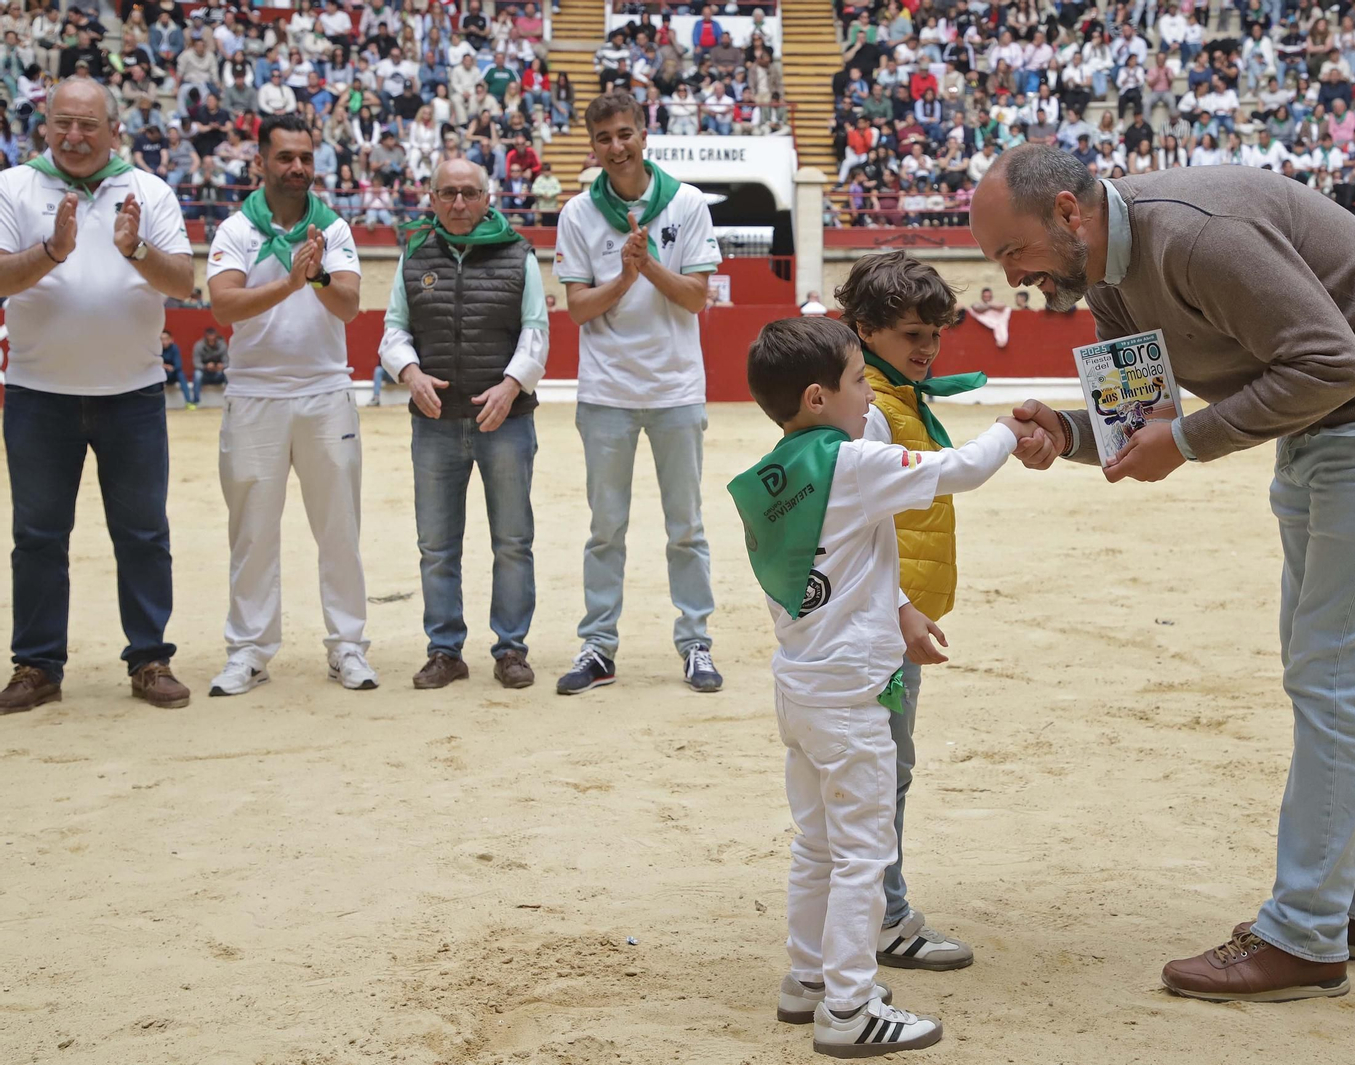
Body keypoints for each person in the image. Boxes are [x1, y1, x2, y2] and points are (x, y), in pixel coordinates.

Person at [972, 146, 1355, 1002]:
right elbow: (1138, 423)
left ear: (1069, 213)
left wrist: (1184, 444)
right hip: (1328, 429)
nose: (1015, 278)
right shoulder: (1104, 282)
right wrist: (1064, 435)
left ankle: (1306, 935)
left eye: (1013, 253)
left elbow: (1334, 364)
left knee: (1332, 675)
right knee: (1335, 673)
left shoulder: (1199, 233)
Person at [729, 316, 1037, 1057]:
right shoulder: (853, 464)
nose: (871, 393)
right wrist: (1005, 429)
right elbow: (958, 469)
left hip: (801, 685)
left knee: (818, 845)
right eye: (860, 380)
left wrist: (896, 607)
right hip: (852, 695)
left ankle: (808, 979)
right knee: (864, 851)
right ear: (815, 397)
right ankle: (849, 1004)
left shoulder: (779, 474)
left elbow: (842, 561)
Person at [837, 250, 1016, 973]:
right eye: (912, 333)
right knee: (883, 770)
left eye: (934, 334)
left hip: (881, 618)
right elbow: (863, 536)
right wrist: (903, 608)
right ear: (865, 329)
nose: (927, 348)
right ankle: (885, 917)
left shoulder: (880, 399)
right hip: (879, 628)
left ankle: (863, 911)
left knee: (874, 769)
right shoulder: (874, 413)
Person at [0, 76, 196, 713]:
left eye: (89, 125)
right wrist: (52, 251)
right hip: (37, 392)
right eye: (63, 123)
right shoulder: (14, 186)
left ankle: (149, 658)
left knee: (143, 533)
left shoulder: (149, 190)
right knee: (37, 536)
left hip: (132, 393)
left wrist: (136, 248)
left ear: (116, 130)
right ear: (46, 125)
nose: (74, 136)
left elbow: (184, 283)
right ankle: (36, 665)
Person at [552, 93, 724, 695]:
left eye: (625, 133)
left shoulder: (687, 203)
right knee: (606, 527)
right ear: (593, 145)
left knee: (687, 526)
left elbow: (698, 297)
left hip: (676, 387)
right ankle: (598, 646)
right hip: (607, 391)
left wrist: (645, 266)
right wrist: (625, 276)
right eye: (604, 138)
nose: (617, 146)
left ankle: (696, 642)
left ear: (644, 134)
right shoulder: (577, 213)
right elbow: (576, 308)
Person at [205, 114, 375, 697]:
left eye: (305, 157)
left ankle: (348, 646)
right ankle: (249, 651)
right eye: (285, 157)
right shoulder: (235, 230)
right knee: (252, 530)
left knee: (340, 528)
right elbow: (224, 307)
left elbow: (350, 306)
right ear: (261, 162)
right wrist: (289, 281)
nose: (297, 168)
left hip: (326, 391)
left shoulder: (334, 229)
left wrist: (318, 271)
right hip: (254, 394)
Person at [379, 158, 549, 691]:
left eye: (469, 194)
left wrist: (511, 384)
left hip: (506, 420)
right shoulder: (413, 252)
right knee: (436, 544)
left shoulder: (519, 253)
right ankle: (445, 650)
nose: (458, 204)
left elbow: (536, 332)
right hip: (434, 423)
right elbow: (394, 331)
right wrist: (409, 372)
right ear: (430, 198)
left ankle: (511, 649)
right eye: (448, 193)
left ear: (488, 197)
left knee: (513, 541)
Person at [160, 328, 197, 408]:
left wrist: (171, 368)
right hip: (162, 374)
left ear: (171, 339)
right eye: (162, 339)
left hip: (173, 373)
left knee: (181, 375)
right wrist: (165, 366)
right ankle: (158, 405)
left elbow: (178, 364)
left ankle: (189, 402)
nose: (164, 342)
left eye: (166, 339)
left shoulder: (174, 348)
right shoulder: (157, 349)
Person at [193, 325, 229, 398]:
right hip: (205, 373)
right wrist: (206, 366)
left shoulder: (222, 345)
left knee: (228, 373)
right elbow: (196, 363)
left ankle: (229, 398)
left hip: (219, 373)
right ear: (205, 337)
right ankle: (196, 401)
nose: (211, 339)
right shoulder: (199, 345)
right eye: (209, 337)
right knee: (197, 374)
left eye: (213, 337)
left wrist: (222, 366)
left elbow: (227, 362)